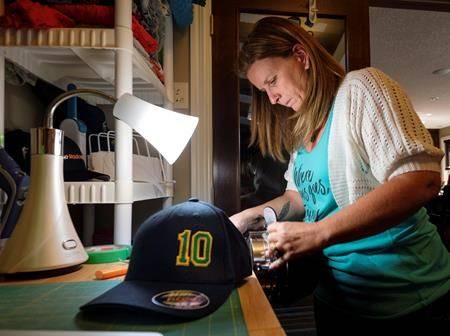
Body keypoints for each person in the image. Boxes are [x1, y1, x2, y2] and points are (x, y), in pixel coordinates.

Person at [230, 17, 450, 335]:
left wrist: (318, 233)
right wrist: (243, 218)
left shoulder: (361, 89)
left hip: (406, 299)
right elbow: (297, 197)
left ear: (302, 57)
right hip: (337, 299)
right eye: (264, 90)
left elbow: (421, 179)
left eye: (273, 81)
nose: (272, 98)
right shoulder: (302, 129)